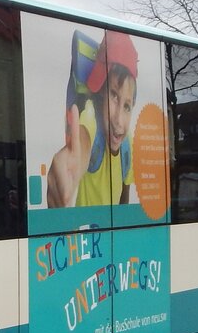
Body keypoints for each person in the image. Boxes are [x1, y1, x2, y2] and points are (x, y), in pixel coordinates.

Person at [47, 31, 138, 208]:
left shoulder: (128, 145)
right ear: (100, 97)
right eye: (113, 95)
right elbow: (83, 138)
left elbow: (124, 196)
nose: (119, 120)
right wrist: (68, 164)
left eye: (127, 106)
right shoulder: (91, 118)